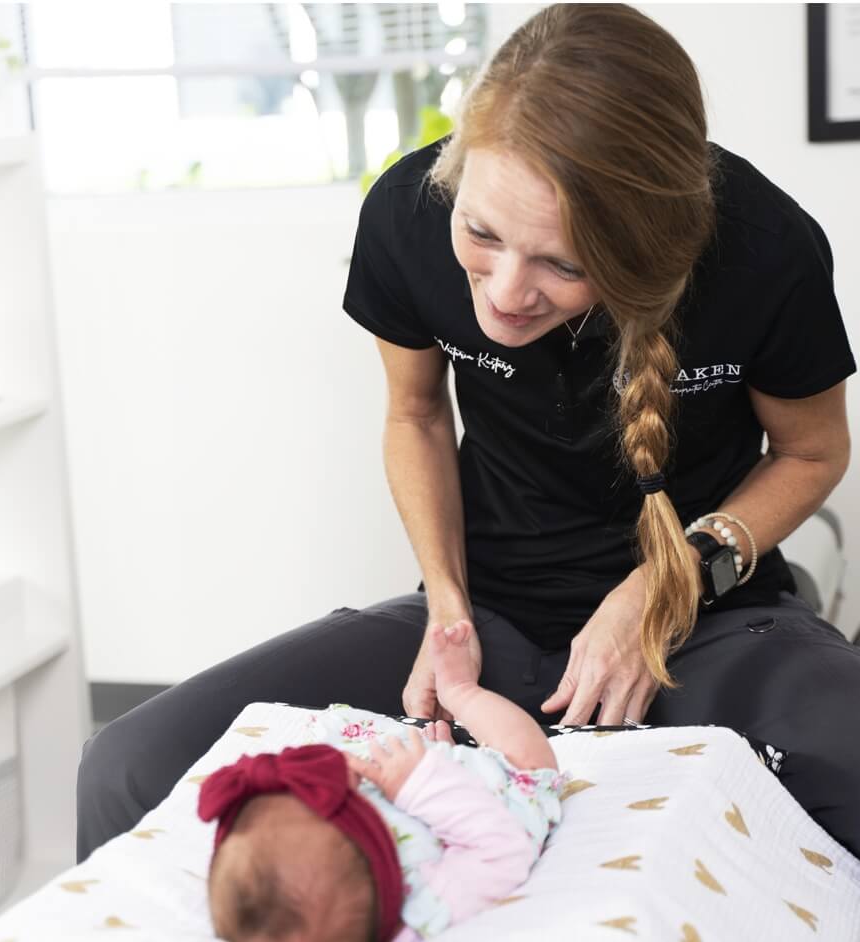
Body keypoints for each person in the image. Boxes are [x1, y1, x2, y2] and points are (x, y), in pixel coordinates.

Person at [77, 3, 860, 862]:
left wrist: (658, 595)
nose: (505, 293)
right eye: (480, 234)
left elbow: (812, 450)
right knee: (127, 765)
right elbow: (414, 413)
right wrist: (446, 610)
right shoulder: (406, 216)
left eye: (562, 263)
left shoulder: (761, 246)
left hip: (706, 622)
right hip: (485, 617)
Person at [198, 622, 563, 942]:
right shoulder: (424, 907)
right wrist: (427, 785)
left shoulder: (310, 883)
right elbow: (500, 849)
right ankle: (461, 690)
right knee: (529, 758)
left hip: (411, 778)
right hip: (483, 804)